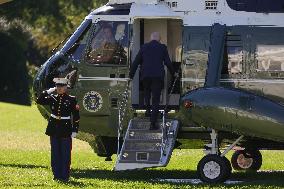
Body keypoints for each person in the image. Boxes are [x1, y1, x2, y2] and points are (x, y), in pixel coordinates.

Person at [129, 32, 176, 130]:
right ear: (159, 39)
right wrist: (173, 73)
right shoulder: (162, 47)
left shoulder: (144, 47)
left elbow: (136, 62)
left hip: (145, 75)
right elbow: (168, 62)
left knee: (147, 93)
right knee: (155, 99)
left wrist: (130, 76)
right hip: (157, 77)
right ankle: (153, 123)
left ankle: (147, 111)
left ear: (151, 38)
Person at [36, 78, 80, 182]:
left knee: (65, 153)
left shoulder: (72, 99)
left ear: (66, 87)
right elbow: (39, 101)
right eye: (57, 86)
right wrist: (46, 92)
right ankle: (56, 175)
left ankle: (65, 176)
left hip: (65, 128)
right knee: (55, 153)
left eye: (62, 86)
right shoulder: (52, 98)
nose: (59, 88)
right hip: (54, 128)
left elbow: (76, 116)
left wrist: (75, 130)